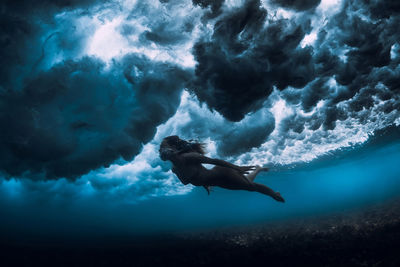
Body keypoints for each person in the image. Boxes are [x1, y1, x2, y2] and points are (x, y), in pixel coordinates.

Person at [159, 135, 285, 202]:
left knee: (251, 187)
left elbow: (214, 161)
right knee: (247, 184)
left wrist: (237, 167)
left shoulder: (189, 157)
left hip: (223, 173)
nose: (162, 151)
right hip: (216, 181)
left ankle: (274, 194)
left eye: (164, 148)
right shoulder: (175, 169)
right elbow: (192, 179)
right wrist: (204, 184)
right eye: (161, 149)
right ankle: (257, 169)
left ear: (175, 149)